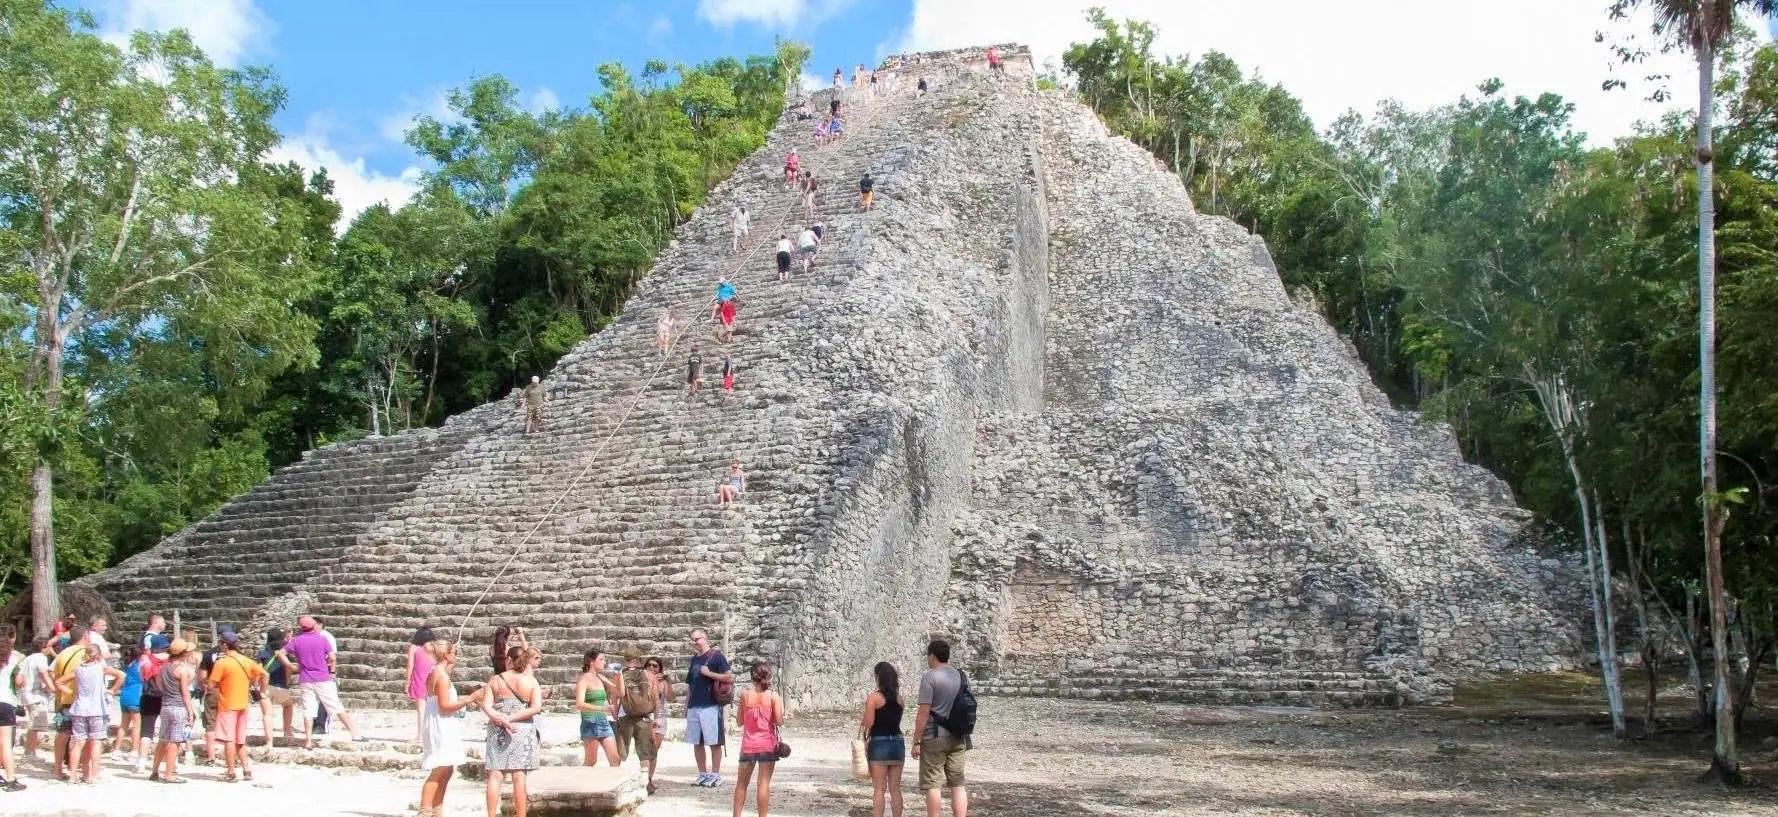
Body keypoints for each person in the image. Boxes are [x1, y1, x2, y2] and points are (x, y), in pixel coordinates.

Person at [418, 638, 485, 817]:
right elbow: (445, 706)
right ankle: (424, 811)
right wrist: (470, 698)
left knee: (447, 769)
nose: (456, 655)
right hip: (441, 724)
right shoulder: (441, 676)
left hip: (442, 722)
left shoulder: (438, 672)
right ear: (446, 655)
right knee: (439, 768)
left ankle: (437, 809)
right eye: (454, 652)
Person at [483, 645, 543, 817]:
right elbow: (535, 707)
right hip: (522, 728)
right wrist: (512, 719)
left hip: (497, 727)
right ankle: (520, 815)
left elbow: (486, 705)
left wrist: (501, 718)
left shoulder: (495, 680)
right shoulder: (531, 681)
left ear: (508, 659)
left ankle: (491, 815)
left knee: (495, 775)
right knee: (519, 776)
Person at [911, 640, 968, 817]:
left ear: (932, 656)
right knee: (957, 783)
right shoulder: (961, 675)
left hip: (934, 735)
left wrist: (916, 741)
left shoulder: (930, 676)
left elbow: (924, 711)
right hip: (958, 735)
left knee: (933, 784)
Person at [59, 636, 124, 784]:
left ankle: (73, 774)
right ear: (99, 655)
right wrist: (112, 690)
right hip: (97, 709)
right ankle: (93, 775)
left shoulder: (78, 669)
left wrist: (72, 694)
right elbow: (121, 675)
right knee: (96, 742)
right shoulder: (101, 668)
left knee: (78, 742)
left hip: (79, 708)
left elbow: (59, 682)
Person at [289, 615, 361, 745]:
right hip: (322, 676)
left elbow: (281, 653)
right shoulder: (322, 639)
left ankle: (308, 741)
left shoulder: (297, 640)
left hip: (305, 677)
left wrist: (291, 666)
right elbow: (332, 657)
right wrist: (325, 665)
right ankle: (354, 734)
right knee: (336, 706)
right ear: (313, 626)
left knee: (308, 709)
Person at [207, 629, 267, 782]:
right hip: (243, 704)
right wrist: (262, 690)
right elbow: (264, 674)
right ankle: (246, 770)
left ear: (225, 645)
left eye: (221, 643)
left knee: (229, 739)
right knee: (240, 738)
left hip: (227, 704)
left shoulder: (222, 662)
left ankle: (231, 772)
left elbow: (211, 684)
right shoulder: (246, 660)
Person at [732, 661, 784, 817]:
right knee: (763, 784)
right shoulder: (773, 696)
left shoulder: (745, 696)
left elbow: (739, 722)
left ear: (752, 677)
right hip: (767, 744)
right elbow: (779, 721)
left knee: (741, 784)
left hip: (748, 745)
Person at [686, 628, 733, 788]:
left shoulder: (716, 656)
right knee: (697, 742)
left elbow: (728, 676)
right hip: (694, 706)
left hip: (711, 706)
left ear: (705, 639)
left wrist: (710, 674)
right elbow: (690, 685)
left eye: (696, 639)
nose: (694, 642)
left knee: (714, 742)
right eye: (692, 639)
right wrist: (687, 707)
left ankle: (715, 774)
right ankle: (702, 774)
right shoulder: (694, 659)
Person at [614, 648, 665, 794]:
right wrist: (656, 719)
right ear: (639, 659)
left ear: (625, 660)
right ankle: (646, 784)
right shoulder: (649, 675)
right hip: (644, 717)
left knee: (620, 752)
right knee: (645, 754)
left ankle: (615, 784)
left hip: (625, 717)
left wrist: (615, 715)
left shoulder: (620, 674)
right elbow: (656, 698)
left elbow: (617, 695)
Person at [151, 639, 199, 783]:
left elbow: (159, 684)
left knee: (162, 740)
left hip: (165, 706)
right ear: (183, 653)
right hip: (178, 707)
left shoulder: (164, 667)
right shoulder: (182, 670)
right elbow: (185, 693)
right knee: (174, 742)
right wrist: (190, 712)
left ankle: (154, 771)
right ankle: (169, 774)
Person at [862, 662, 906, 817]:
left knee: (879, 789)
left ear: (878, 677)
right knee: (895, 788)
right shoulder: (900, 699)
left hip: (879, 743)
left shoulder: (873, 698)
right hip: (897, 743)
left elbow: (868, 723)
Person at [575, 648, 621, 766]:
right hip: (590, 722)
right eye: (601, 659)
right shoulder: (583, 679)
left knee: (615, 759)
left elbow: (619, 692)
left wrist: (619, 675)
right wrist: (602, 709)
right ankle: (579, 783)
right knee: (591, 761)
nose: (604, 662)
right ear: (591, 661)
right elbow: (579, 704)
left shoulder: (601, 677)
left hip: (604, 722)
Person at [134, 635, 169, 774]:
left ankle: (141, 762)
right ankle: (169, 761)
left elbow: (141, 676)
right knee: (167, 731)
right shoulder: (170, 661)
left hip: (148, 695)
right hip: (166, 696)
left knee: (147, 730)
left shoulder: (145, 660)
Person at [18, 637, 54, 765]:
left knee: (33, 725)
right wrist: (52, 687)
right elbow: (43, 672)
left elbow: (20, 678)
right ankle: (29, 754)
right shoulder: (40, 657)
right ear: (43, 647)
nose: (51, 649)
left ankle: (31, 752)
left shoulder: (28, 658)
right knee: (35, 726)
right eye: (49, 646)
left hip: (27, 695)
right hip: (36, 696)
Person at [258, 629, 297, 745]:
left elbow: (259, 670)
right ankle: (287, 731)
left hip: (265, 687)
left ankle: (269, 742)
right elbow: (287, 669)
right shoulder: (283, 653)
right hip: (280, 685)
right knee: (288, 706)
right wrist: (288, 681)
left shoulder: (263, 653)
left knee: (267, 714)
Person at [0, 626, 25, 792]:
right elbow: (19, 682)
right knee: (5, 742)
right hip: (5, 701)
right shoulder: (13, 660)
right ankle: (11, 778)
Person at [111, 643, 144, 761]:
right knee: (136, 726)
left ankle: (116, 750)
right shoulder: (141, 665)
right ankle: (134, 751)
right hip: (136, 696)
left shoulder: (127, 665)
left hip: (125, 695)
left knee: (123, 724)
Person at [407, 625, 438, 744]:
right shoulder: (434, 648)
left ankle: (420, 736)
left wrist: (407, 682)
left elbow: (410, 667)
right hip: (434, 681)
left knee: (421, 710)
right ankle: (431, 735)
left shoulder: (414, 648)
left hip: (419, 681)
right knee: (433, 710)